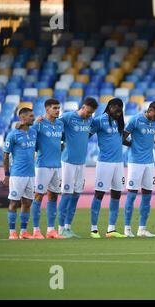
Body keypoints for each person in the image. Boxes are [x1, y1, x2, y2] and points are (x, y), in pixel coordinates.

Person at [58, 97, 98, 238]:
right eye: (88, 112)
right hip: (68, 161)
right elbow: (53, 124)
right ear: (83, 107)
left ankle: (68, 227)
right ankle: (60, 228)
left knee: (76, 195)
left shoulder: (90, 120)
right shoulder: (68, 117)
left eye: (92, 113)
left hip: (81, 162)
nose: (89, 115)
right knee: (66, 194)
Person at [123, 101, 155, 237]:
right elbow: (123, 137)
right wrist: (133, 146)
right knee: (132, 194)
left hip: (150, 162)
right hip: (135, 162)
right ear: (150, 110)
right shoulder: (135, 119)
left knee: (147, 196)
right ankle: (127, 229)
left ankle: (142, 229)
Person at [89, 98, 127, 238]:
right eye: (116, 107)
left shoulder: (119, 122)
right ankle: (94, 229)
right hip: (104, 163)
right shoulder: (99, 120)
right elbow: (86, 134)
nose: (118, 110)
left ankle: (111, 229)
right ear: (109, 107)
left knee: (116, 194)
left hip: (118, 163)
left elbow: (121, 140)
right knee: (99, 194)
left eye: (121, 107)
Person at [30, 99, 65, 239]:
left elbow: (60, 142)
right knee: (38, 196)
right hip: (42, 166)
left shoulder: (60, 124)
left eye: (59, 108)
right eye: (55, 108)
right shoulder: (38, 124)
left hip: (57, 165)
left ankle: (51, 230)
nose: (58, 110)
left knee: (53, 196)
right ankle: (36, 230)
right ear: (47, 109)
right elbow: (30, 139)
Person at [2, 105, 37, 239]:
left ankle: (23, 232)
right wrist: (6, 174)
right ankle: (12, 232)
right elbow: (5, 156)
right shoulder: (13, 134)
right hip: (17, 175)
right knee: (14, 202)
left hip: (31, 174)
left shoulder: (33, 132)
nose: (33, 118)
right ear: (23, 117)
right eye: (31, 116)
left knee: (27, 203)